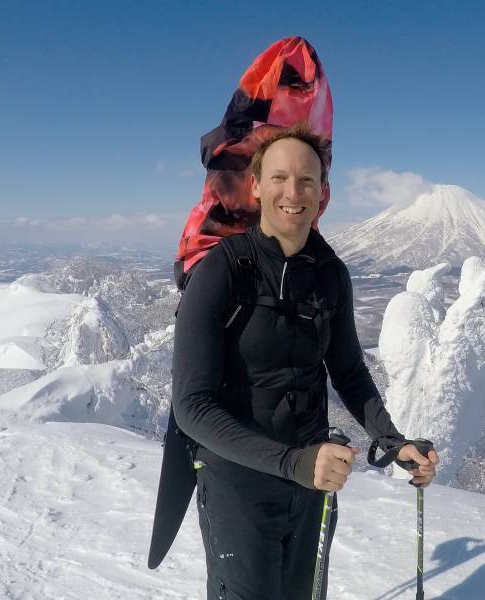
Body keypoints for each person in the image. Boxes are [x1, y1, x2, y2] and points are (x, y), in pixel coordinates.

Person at [171, 122, 440, 600]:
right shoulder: (222, 271)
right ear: (255, 186)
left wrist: (393, 441)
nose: (292, 192)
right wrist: (292, 462)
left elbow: (350, 373)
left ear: (324, 193)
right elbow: (191, 407)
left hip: (312, 479)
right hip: (239, 480)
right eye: (278, 177)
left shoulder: (330, 274)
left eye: (306, 180)